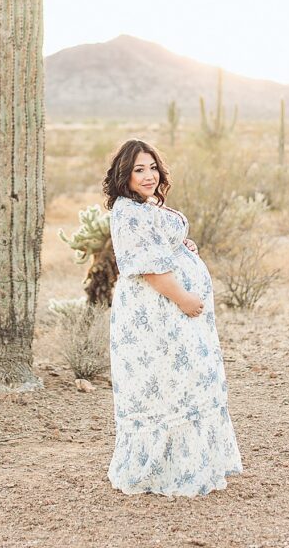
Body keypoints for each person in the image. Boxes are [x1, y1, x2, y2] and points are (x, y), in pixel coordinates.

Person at [104, 138, 243, 497]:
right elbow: (147, 268)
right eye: (139, 169)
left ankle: (192, 464)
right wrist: (183, 298)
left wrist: (183, 247)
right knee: (168, 384)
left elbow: (160, 244)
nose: (148, 175)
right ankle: (165, 471)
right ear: (125, 175)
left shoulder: (145, 205)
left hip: (174, 314)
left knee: (189, 379)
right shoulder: (127, 212)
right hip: (157, 316)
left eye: (152, 167)